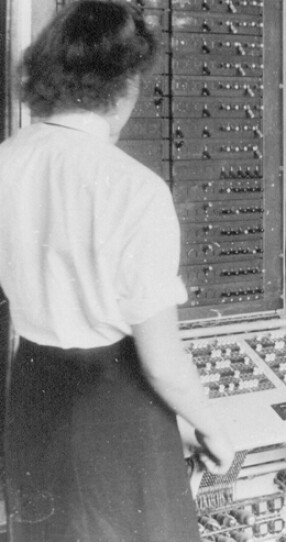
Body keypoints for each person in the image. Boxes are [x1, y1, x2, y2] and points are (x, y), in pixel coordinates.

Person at [0, 2, 234, 541]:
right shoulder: (134, 188)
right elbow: (162, 363)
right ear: (126, 83)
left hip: (33, 398)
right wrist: (212, 427)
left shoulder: (8, 162)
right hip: (116, 408)